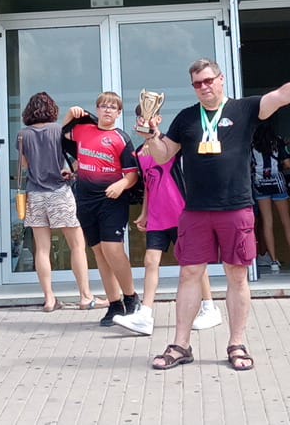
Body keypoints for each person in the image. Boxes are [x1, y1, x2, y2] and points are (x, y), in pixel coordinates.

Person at [142, 58, 290, 372]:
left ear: (221, 79)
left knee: (237, 276)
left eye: (209, 80)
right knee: (188, 275)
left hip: (236, 207)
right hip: (196, 210)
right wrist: (150, 136)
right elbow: (163, 155)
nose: (204, 87)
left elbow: (282, 95)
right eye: (197, 83)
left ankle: (236, 343)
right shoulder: (186, 118)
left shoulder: (244, 109)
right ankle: (180, 345)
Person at [114, 103, 220, 336]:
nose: (144, 122)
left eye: (149, 118)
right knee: (151, 261)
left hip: (183, 213)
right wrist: (144, 212)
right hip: (158, 217)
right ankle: (145, 314)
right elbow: (150, 184)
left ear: (158, 120)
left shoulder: (172, 147)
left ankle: (210, 307)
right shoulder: (139, 153)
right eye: (141, 119)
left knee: (194, 264)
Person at [63, 92, 141, 325]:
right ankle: (114, 304)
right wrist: (69, 115)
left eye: (112, 107)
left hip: (112, 199)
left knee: (112, 249)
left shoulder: (121, 138)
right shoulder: (82, 131)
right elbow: (58, 138)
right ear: (97, 110)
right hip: (86, 200)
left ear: (118, 113)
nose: (107, 110)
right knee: (99, 252)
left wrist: (121, 184)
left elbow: (132, 174)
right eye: (103, 106)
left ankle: (131, 297)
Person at [17, 91, 96, 312]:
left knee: (41, 249)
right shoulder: (57, 130)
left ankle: (50, 299)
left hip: (35, 193)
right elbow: (78, 154)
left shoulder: (23, 135)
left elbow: (24, 166)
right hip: (59, 191)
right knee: (77, 245)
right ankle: (84, 296)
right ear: (52, 109)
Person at [251, 120, 290, 272]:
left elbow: (250, 165)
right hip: (278, 183)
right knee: (286, 221)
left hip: (260, 183)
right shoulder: (278, 141)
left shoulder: (251, 144)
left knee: (267, 222)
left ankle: (273, 261)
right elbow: (287, 164)